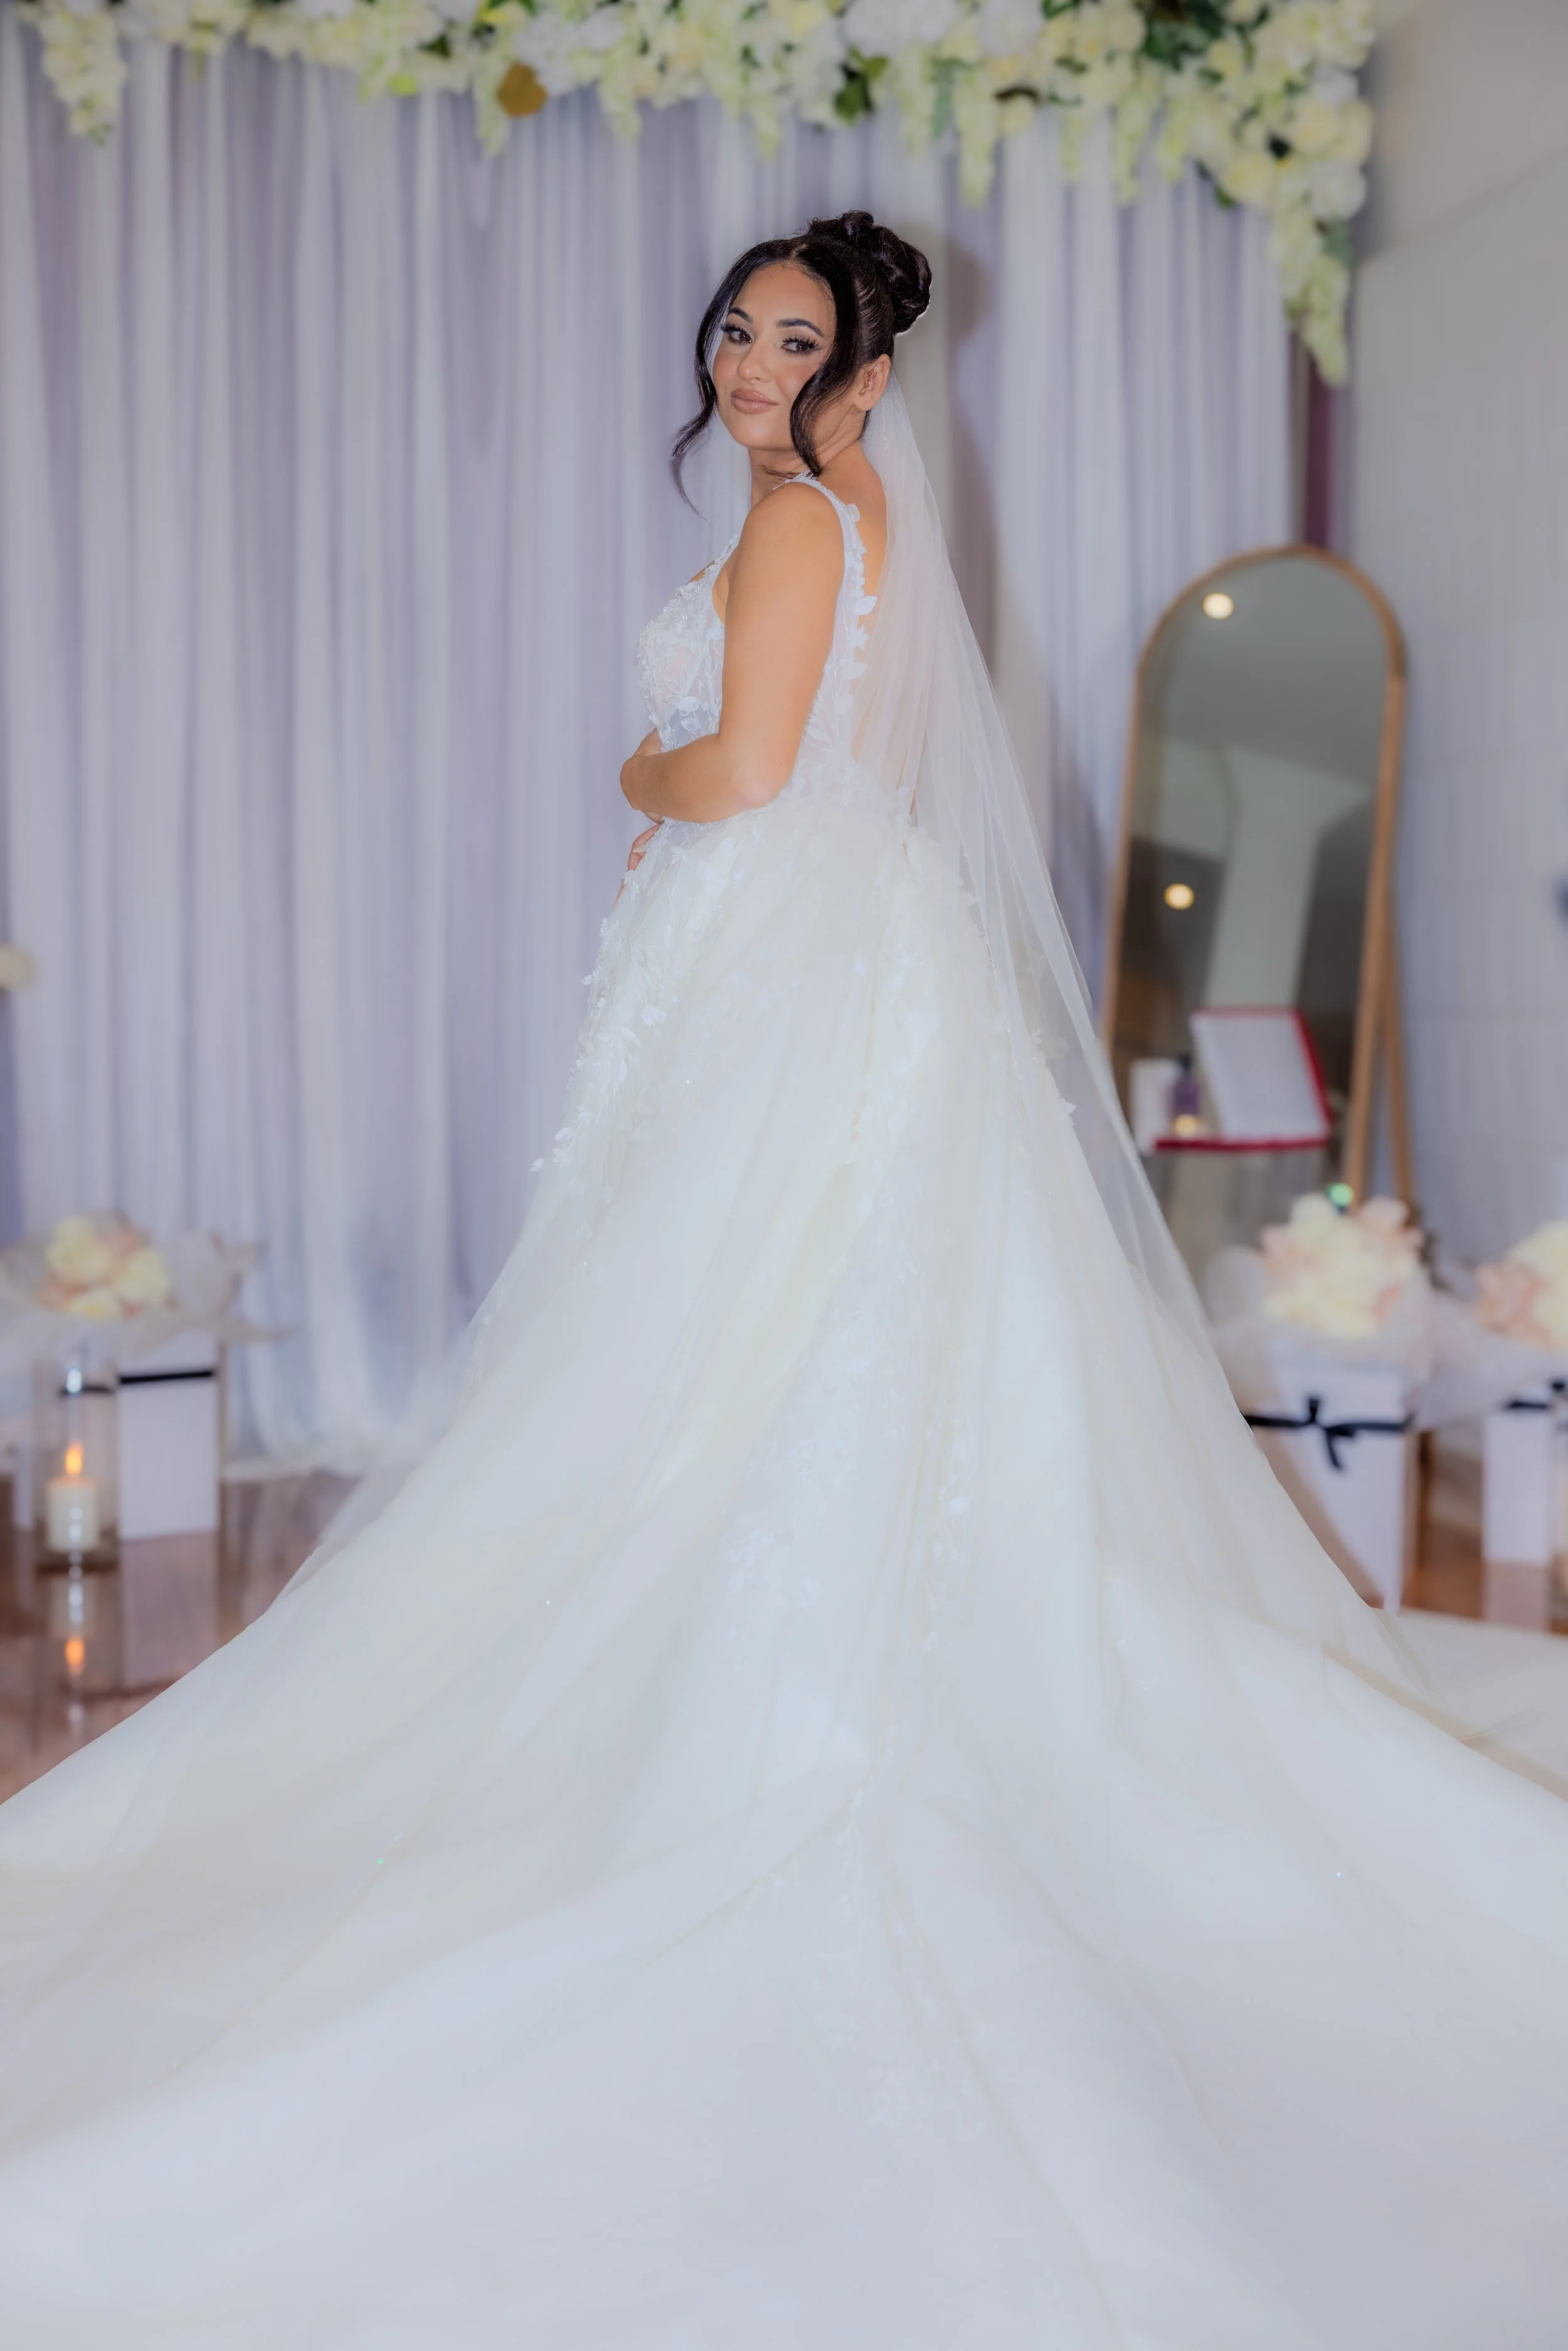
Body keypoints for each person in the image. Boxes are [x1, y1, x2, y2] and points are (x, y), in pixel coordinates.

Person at [1, 211, 1566, 2349]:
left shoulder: (808, 526)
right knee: (744, 1342)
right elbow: (834, 768)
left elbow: (739, 775)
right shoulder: (809, 522)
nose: (747, 362)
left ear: (856, 375)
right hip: (791, 964)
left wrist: (636, 784)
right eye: (734, 329)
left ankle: (791, 1718)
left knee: (750, 1334)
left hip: (787, 974)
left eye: (790, 339)